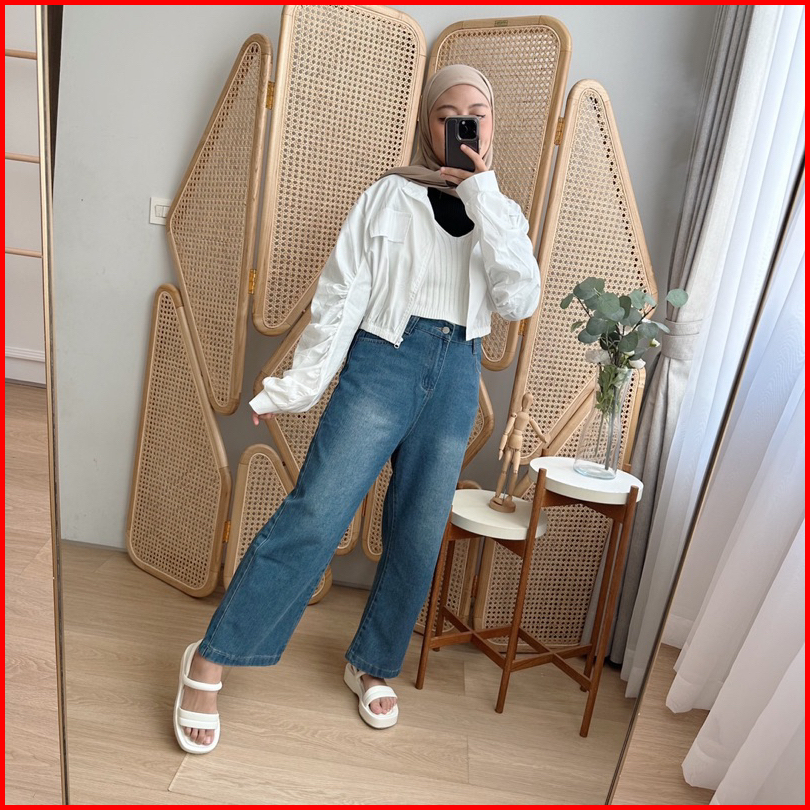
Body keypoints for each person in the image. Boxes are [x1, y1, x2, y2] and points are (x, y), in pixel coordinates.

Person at [173, 64, 541, 754]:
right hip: (385, 358)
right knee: (317, 511)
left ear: (492, 125)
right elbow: (340, 297)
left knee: (418, 530)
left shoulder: (505, 213)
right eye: (447, 115)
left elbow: (518, 299)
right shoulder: (388, 195)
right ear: (428, 124)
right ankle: (210, 659)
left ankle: (372, 664)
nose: (462, 126)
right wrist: (296, 387)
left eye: (476, 113)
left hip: (458, 371)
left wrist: (482, 192)